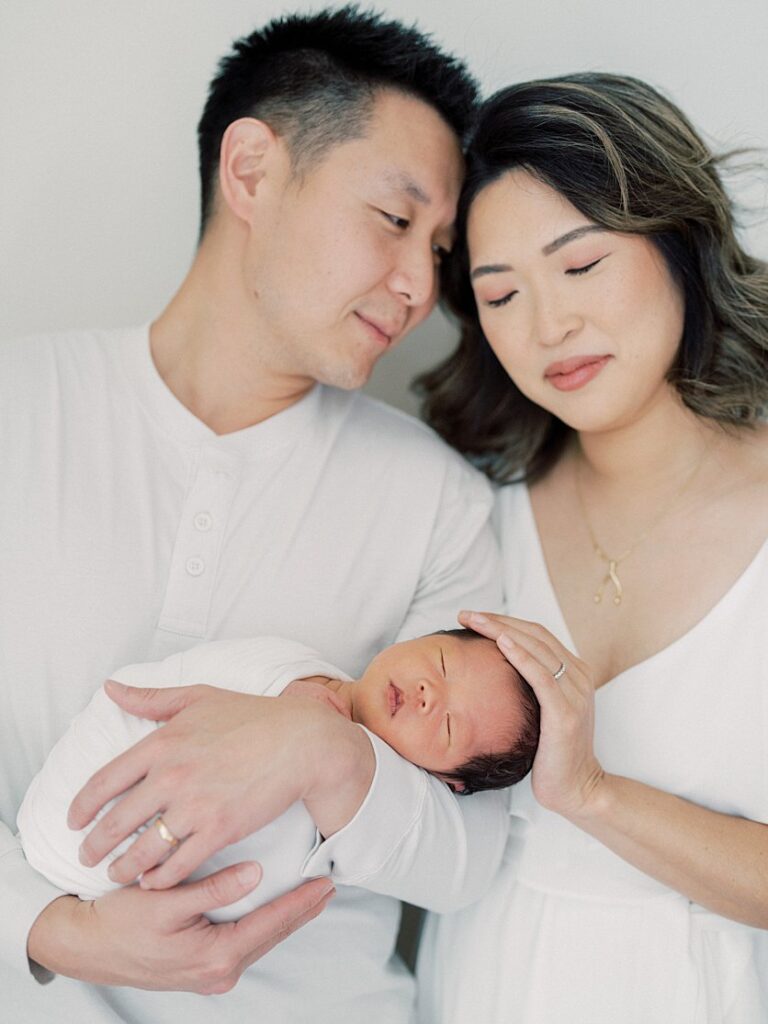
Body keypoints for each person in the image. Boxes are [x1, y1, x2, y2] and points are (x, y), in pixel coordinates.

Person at [0, 8, 509, 1024]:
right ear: (250, 170)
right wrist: (42, 921)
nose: (419, 289)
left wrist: (321, 749)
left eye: (440, 251)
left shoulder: (439, 500)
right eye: (396, 221)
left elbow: (469, 855)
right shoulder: (18, 406)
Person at [415, 73, 768, 1023]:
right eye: (501, 294)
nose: (549, 327)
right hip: (475, 987)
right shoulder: (469, 512)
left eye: (581, 266)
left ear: (678, 242)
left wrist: (595, 796)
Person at [19, 631, 539, 919]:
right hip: (66, 824)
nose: (429, 693)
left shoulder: (365, 814)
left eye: (448, 726)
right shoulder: (291, 665)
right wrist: (291, 694)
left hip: (143, 905)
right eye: (441, 661)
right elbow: (169, 686)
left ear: (450, 782)